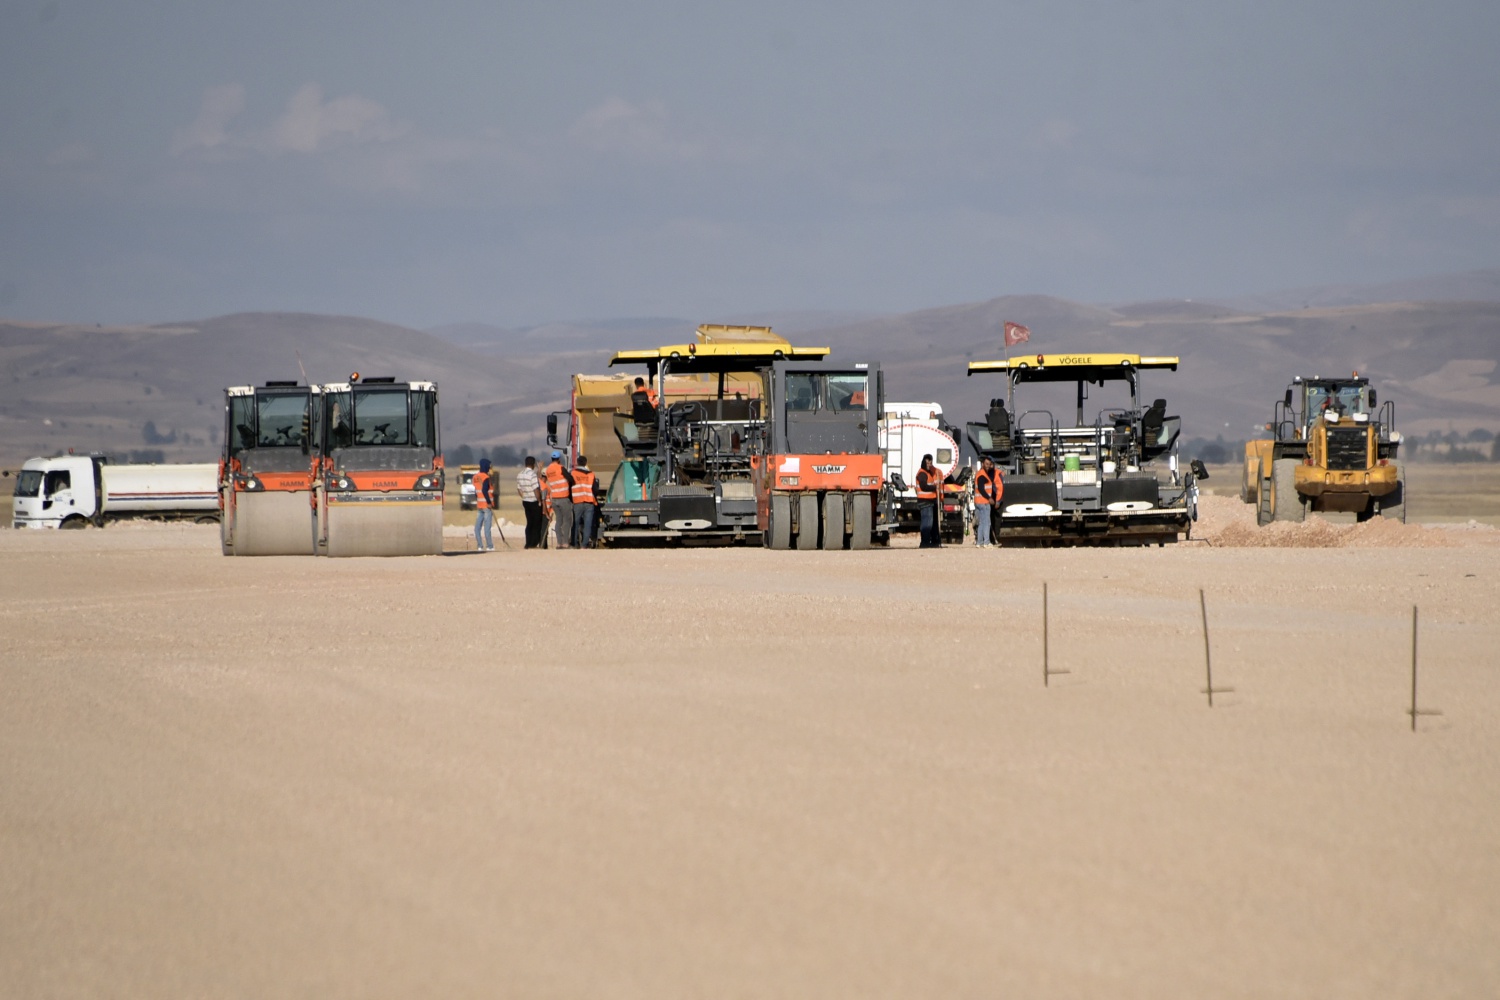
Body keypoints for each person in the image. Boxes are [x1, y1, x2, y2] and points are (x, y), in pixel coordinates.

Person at [542, 450, 574, 549]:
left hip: (554, 499)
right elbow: (571, 479)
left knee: (559, 521)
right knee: (567, 521)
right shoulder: (561, 468)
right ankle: (565, 543)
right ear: (559, 459)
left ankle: (559, 543)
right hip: (563, 497)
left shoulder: (548, 470)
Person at [516, 455, 545, 549]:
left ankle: (528, 543)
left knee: (529, 522)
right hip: (534, 501)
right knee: (536, 523)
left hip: (525, 501)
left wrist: (524, 496)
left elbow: (519, 489)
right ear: (533, 465)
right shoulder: (532, 475)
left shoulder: (520, 474)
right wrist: (539, 500)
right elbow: (536, 489)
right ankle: (533, 543)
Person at [915, 453, 943, 548]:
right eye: (927, 462)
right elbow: (923, 486)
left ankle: (930, 541)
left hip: (930, 501)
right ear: (923, 462)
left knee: (929, 523)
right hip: (925, 502)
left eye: (930, 462)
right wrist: (934, 487)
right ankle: (925, 542)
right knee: (927, 524)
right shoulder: (922, 473)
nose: (929, 464)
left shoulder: (928, 473)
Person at [973, 457, 1002, 547]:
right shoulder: (982, 475)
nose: (988, 466)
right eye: (986, 464)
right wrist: (989, 498)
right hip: (984, 502)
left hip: (979, 502)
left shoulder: (980, 474)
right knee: (986, 522)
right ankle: (986, 542)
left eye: (989, 464)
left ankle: (979, 542)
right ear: (982, 464)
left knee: (981, 523)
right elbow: (981, 489)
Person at [570, 455, 598, 548]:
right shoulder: (591, 474)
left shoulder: (573, 473)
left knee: (575, 523)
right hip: (589, 502)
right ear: (586, 463)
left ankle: (574, 544)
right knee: (588, 524)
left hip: (577, 501)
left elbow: (569, 487)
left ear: (577, 463)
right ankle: (584, 545)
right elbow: (595, 489)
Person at [472, 458, 494, 552]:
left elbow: (476, 491)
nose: (489, 468)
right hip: (486, 506)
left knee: (477, 528)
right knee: (487, 527)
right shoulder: (485, 477)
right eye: (489, 466)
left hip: (479, 505)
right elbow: (484, 490)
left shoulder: (475, 477)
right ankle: (489, 546)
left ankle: (480, 546)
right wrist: (489, 502)